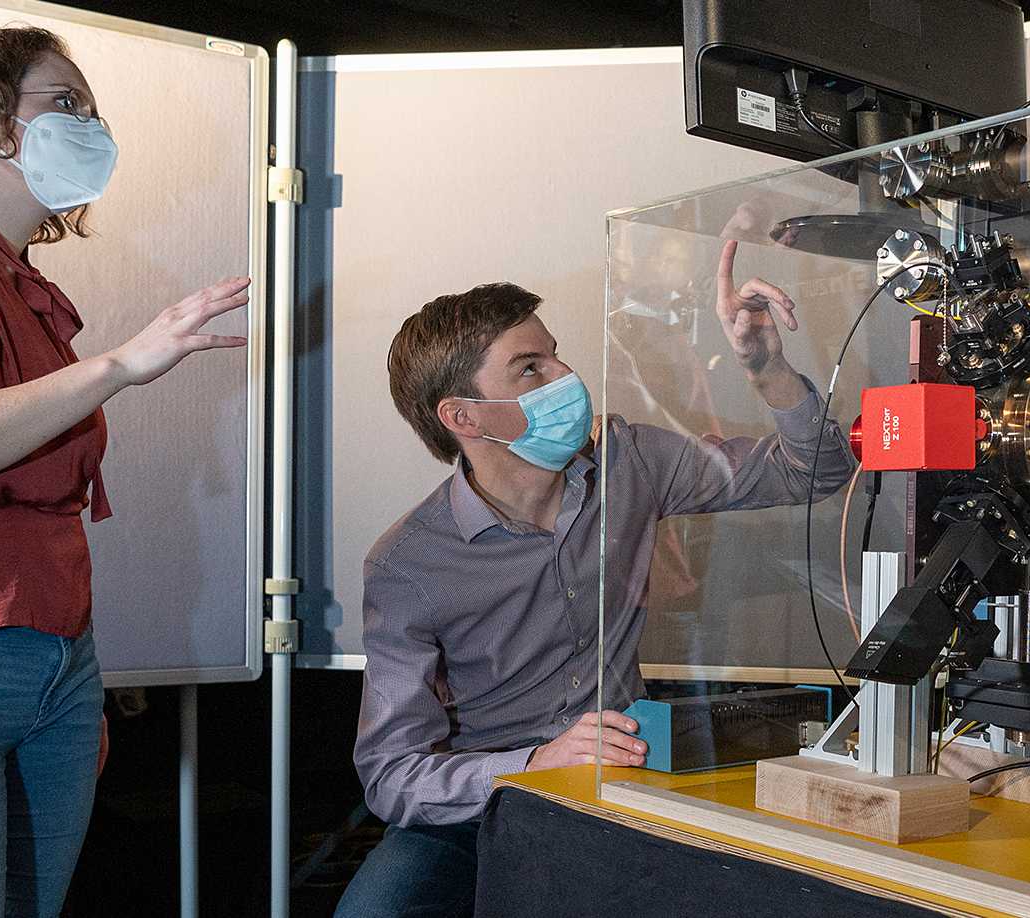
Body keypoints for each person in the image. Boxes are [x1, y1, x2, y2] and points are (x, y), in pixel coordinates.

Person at [0, 26, 249, 917]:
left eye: (90, 108)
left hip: (53, 665)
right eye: (64, 103)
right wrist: (119, 364)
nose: (90, 124)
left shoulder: (25, 288)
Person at [335, 240, 855, 918]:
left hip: (626, 784)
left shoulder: (629, 460)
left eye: (554, 353)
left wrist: (766, 366)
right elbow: (393, 777)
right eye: (530, 368)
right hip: (483, 811)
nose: (565, 374)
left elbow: (814, 472)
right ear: (464, 417)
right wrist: (534, 763)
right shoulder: (407, 564)